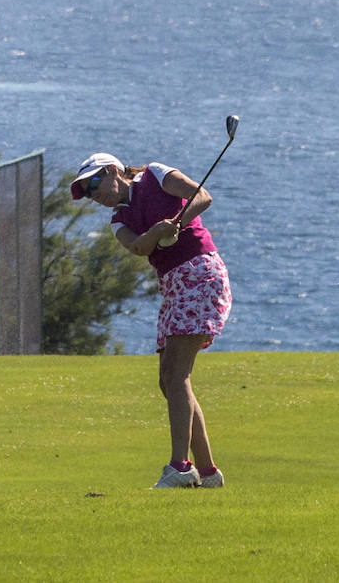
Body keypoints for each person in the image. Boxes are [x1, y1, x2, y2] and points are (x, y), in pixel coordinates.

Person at [71, 152, 232, 489]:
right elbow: (138, 247)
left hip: (200, 272)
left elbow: (202, 196)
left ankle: (180, 467)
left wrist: (179, 221)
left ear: (114, 171)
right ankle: (206, 472)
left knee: (177, 376)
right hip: (174, 285)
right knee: (169, 380)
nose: (93, 194)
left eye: (95, 183)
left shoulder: (156, 175)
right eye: (86, 191)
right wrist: (158, 231)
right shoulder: (119, 219)